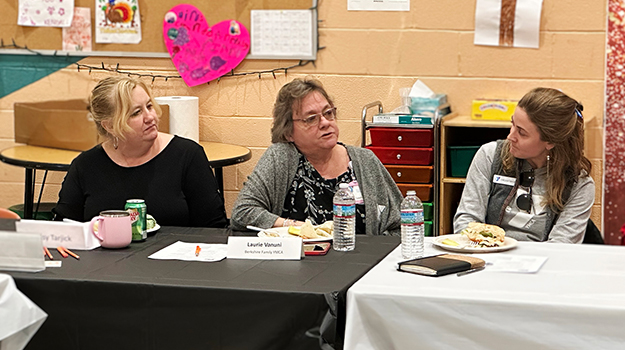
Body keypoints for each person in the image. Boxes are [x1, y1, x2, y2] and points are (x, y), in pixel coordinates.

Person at [230, 78, 402, 235]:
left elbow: (400, 222)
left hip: (358, 262)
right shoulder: (281, 157)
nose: (325, 123)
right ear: (288, 132)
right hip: (297, 263)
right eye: (311, 119)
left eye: (328, 113)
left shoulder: (365, 161)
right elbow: (243, 212)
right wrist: (297, 228)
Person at [53, 76, 227, 228]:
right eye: (136, 113)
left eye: (149, 106)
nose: (150, 117)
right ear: (110, 126)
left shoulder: (188, 155)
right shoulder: (85, 165)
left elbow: (214, 229)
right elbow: (64, 229)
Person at [453, 87, 595, 243]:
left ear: (550, 142)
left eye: (522, 132)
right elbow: (467, 220)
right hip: (488, 258)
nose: (510, 136)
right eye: (512, 124)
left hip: (542, 263)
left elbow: (561, 247)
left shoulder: (579, 184)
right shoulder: (490, 155)